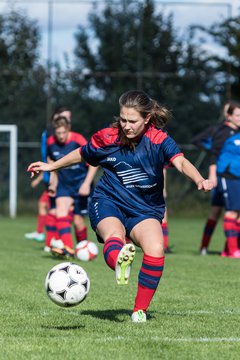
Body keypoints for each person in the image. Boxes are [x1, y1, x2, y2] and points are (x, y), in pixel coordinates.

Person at [28, 90, 213, 323]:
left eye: (132, 121)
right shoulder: (108, 137)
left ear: (146, 119)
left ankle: (139, 311)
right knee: (115, 234)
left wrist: (199, 180)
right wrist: (51, 167)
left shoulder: (158, 140)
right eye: (123, 119)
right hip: (108, 201)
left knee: (156, 249)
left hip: (145, 208)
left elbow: (181, 162)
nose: (126, 126)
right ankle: (119, 259)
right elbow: (82, 154)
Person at [45, 115, 97, 258]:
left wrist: (86, 184)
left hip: (81, 183)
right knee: (61, 211)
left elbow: (93, 162)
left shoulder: (78, 140)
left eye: (63, 132)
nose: (61, 136)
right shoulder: (50, 143)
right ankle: (68, 248)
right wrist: (52, 184)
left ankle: (83, 247)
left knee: (78, 220)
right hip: (64, 184)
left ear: (68, 129)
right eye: (58, 133)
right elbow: (53, 166)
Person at [192, 103, 229, 255]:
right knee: (216, 211)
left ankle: (230, 248)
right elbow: (197, 140)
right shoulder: (217, 130)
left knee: (232, 212)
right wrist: (210, 148)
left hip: (232, 174)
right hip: (221, 175)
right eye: (227, 111)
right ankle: (204, 247)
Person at [208, 101, 240, 258]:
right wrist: (213, 174)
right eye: (238, 115)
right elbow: (213, 154)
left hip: (238, 176)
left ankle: (228, 250)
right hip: (227, 176)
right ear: (229, 116)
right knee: (231, 211)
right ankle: (233, 251)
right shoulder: (222, 132)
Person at [24, 173, 49, 242]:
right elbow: (46, 169)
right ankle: (40, 232)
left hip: (55, 186)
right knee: (42, 204)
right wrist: (37, 180)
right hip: (49, 187)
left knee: (54, 211)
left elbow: (53, 166)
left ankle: (55, 237)